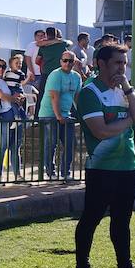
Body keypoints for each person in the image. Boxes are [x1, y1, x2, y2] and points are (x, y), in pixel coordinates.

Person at [72, 44, 135, 268]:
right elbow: (101, 131)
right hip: (101, 167)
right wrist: (129, 120)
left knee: (122, 220)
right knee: (92, 218)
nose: (121, 68)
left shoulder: (125, 91)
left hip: (128, 165)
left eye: (124, 63)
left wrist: (128, 89)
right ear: (101, 63)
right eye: (117, 63)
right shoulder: (89, 92)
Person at [38, 50, 81, 181]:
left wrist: (81, 114)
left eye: (70, 61)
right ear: (60, 61)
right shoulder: (55, 75)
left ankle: (65, 172)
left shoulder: (76, 77)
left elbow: (77, 97)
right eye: (65, 60)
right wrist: (58, 116)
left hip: (65, 114)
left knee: (70, 143)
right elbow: (54, 96)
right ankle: (50, 172)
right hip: (50, 114)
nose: (68, 63)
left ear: (74, 62)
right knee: (51, 144)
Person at [35, 27, 72, 98]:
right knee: (60, 94)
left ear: (46, 34)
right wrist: (58, 40)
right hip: (59, 73)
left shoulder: (43, 46)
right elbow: (70, 43)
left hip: (46, 73)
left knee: (42, 95)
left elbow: (37, 60)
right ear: (56, 34)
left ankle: (39, 109)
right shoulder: (62, 44)